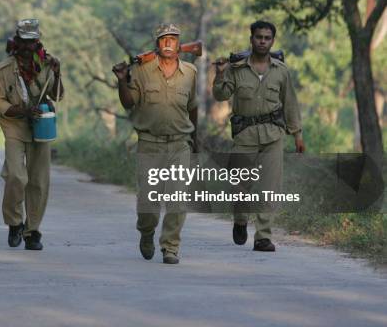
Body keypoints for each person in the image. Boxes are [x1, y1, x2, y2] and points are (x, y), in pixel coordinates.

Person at [212, 20, 304, 252]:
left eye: (267, 38)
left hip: (273, 134)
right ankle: (240, 219)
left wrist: (297, 134)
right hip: (245, 135)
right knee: (240, 186)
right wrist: (220, 74)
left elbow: (290, 102)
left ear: (272, 41)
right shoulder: (237, 69)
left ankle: (263, 236)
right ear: (251, 39)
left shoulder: (280, 71)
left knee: (270, 187)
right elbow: (220, 95)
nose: (262, 41)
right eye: (258, 37)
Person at [112, 23, 198, 265]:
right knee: (148, 202)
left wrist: (196, 139)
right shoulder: (142, 71)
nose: (168, 43)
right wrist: (121, 81)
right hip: (149, 143)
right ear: (157, 43)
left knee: (178, 199)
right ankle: (147, 232)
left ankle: (170, 247)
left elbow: (193, 107)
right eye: (164, 39)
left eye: (173, 39)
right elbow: (129, 103)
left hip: (180, 143)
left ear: (180, 43)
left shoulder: (190, 72)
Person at [0, 18, 64, 250]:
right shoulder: (4, 68)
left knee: (39, 181)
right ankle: (15, 223)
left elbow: (59, 95)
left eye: (32, 42)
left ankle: (32, 231)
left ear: (38, 42)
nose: (27, 47)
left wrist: (57, 72)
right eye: (23, 41)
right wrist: (23, 110)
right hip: (15, 124)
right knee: (16, 176)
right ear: (16, 40)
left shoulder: (47, 64)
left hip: (41, 125)